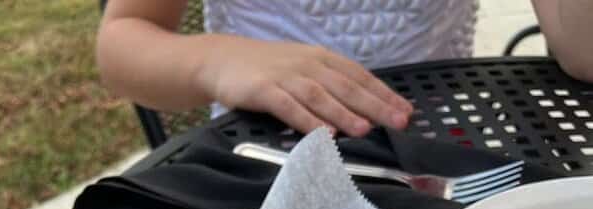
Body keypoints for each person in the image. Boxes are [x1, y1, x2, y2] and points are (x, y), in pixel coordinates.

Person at [97, 1, 593, 138]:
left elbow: (582, 51)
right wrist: (218, 58)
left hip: (432, 155)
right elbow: (122, 44)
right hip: (265, 160)